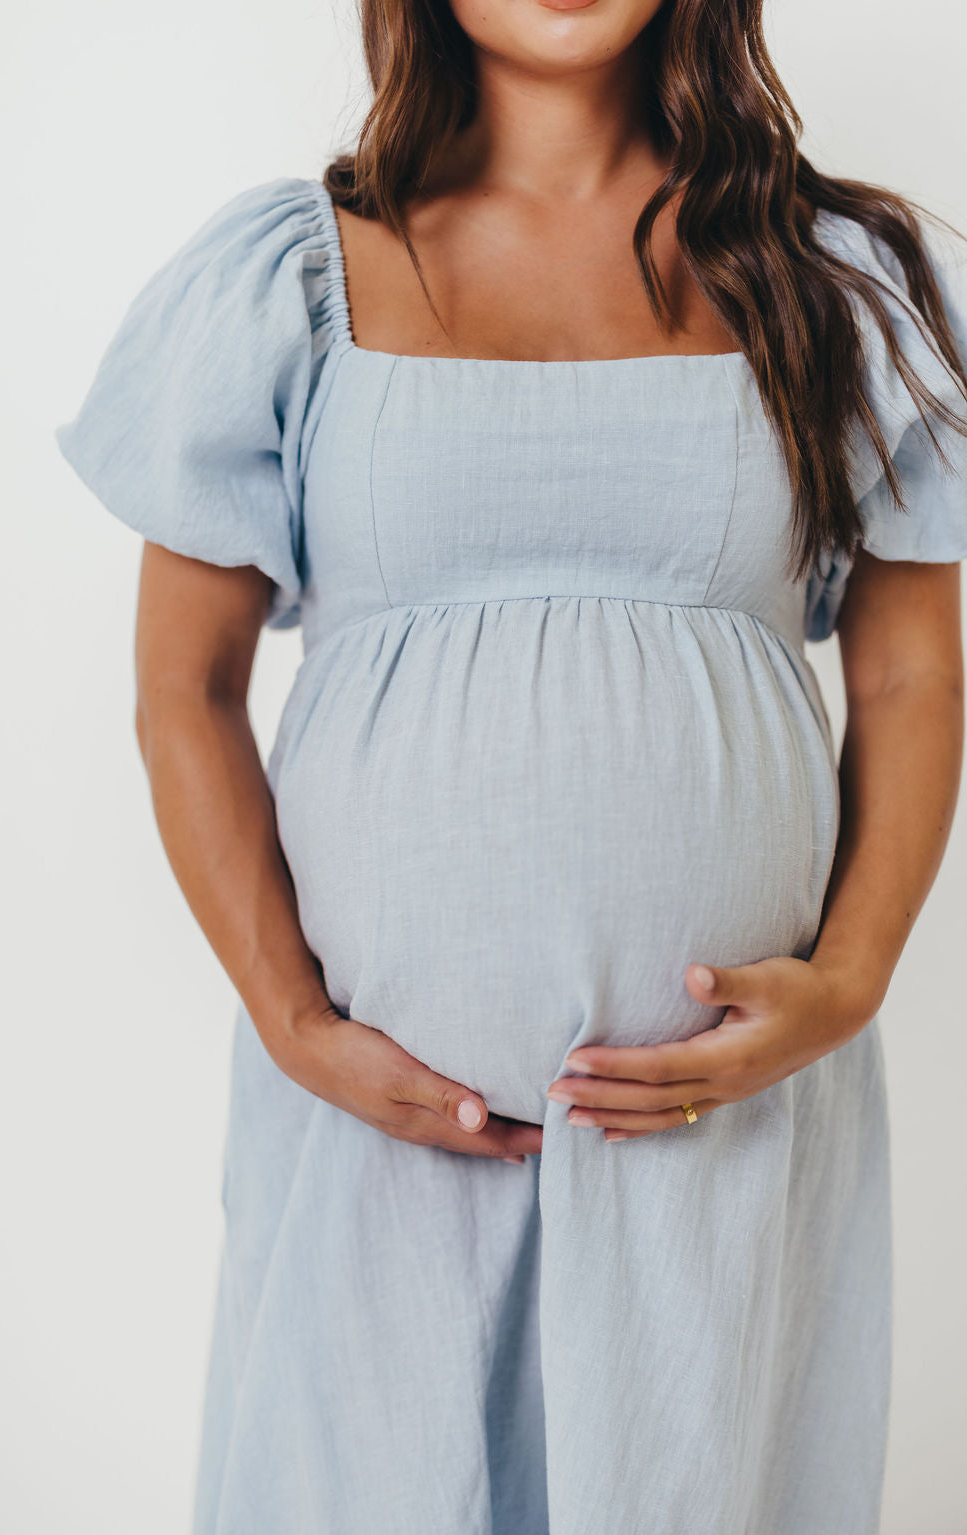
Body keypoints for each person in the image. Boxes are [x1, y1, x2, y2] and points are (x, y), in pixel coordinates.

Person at [54, 0, 967, 1531]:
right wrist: (291, 1016)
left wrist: (855, 973)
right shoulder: (296, 275)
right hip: (374, 1130)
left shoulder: (831, 279)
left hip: (718, 1125)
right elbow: (182, 687)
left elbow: (911, 666)